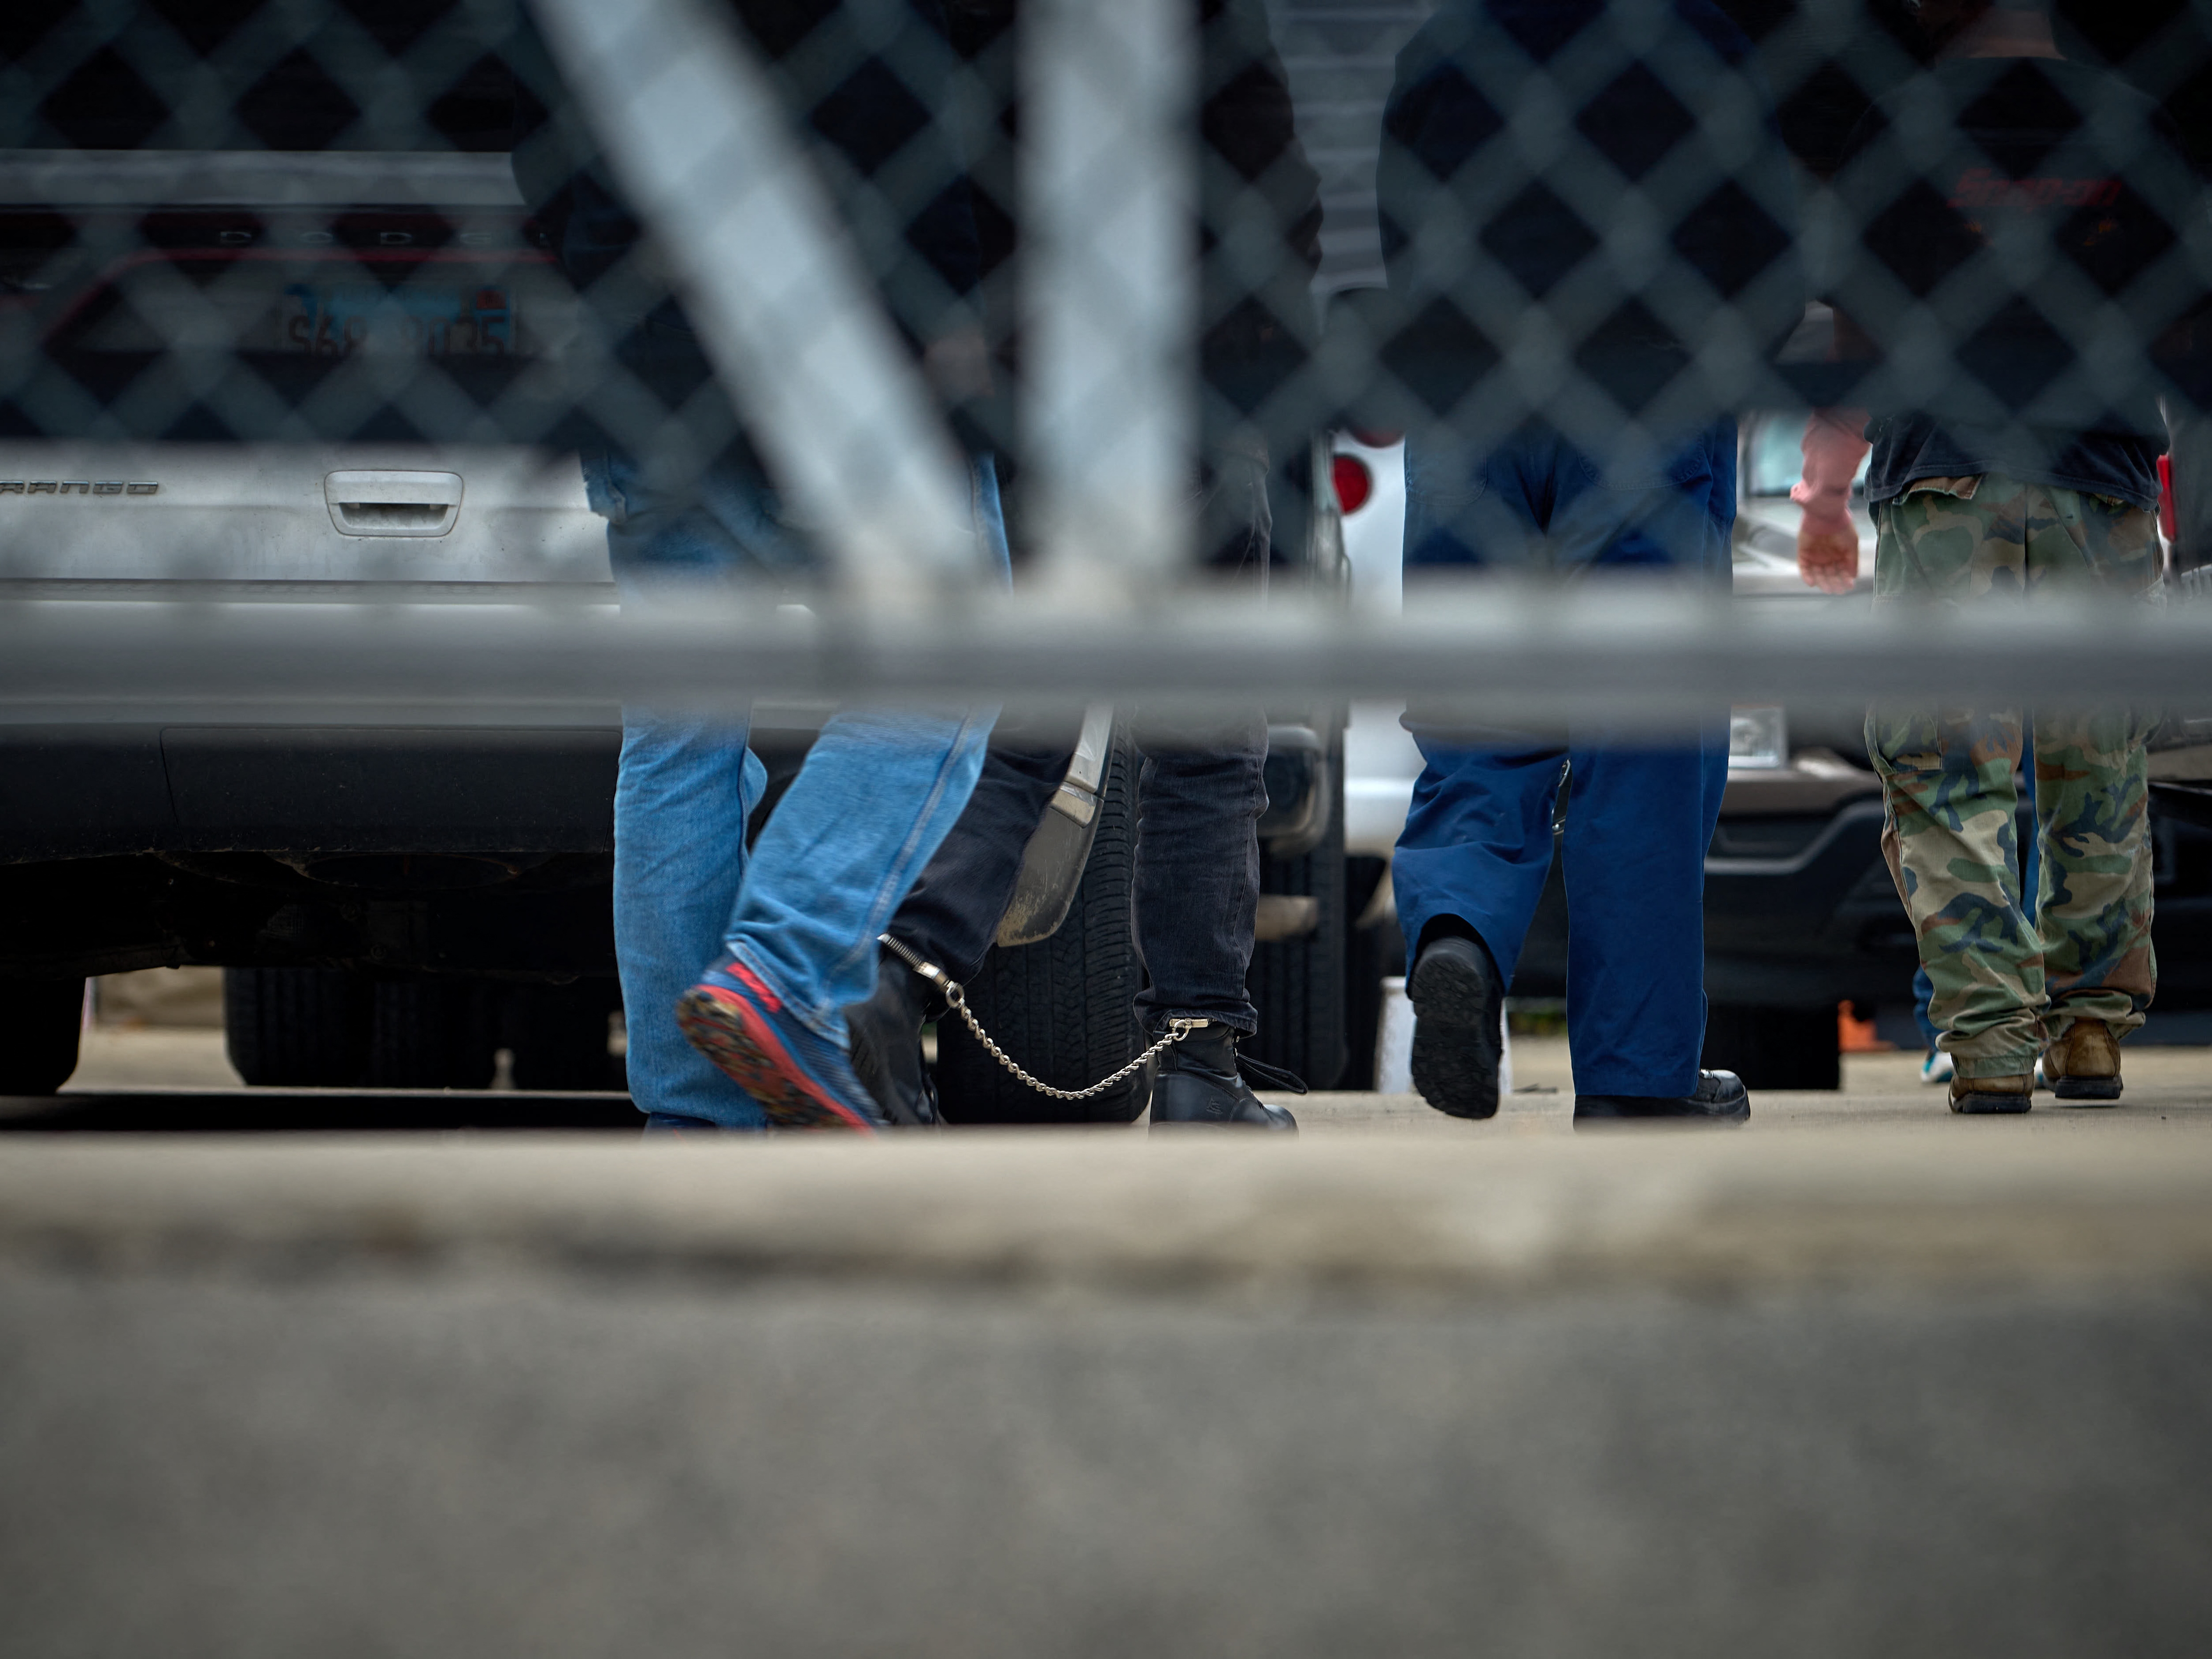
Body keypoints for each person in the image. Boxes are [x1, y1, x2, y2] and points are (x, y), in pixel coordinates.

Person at [513, 0, 1004, 1131]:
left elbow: (530, 103)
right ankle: (784, 963)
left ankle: (692, 1114)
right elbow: (938, 90)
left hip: (640, 330)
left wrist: (599, 261)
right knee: (955, 659)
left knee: (681, 729)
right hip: (848, 332)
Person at [839, 0, 1324, 1132]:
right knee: (1204, 736)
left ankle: (902, 970)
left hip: (1031, 370)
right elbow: (1269, 165)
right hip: (1179, 366)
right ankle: (1200, 1060)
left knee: (1035, 706)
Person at [1376, 0, 1801, 1125]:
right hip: (1647, 386)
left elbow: (1392, 234)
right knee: (1645, 741)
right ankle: (1636, 1074)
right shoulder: (1706, 37)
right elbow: (1774, 249)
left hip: (1465, 394)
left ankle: (1458, 935)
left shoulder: (1446, 42)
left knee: (1477, 713)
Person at [1795, 0, 2186, 1112]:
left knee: (1947, 768)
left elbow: (1860, 331)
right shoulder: (2137, 126)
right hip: (2100, 479)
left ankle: (1991, 1047)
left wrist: (1826, 492)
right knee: (2098, 766)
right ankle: (2094, 1035)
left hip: (1945, 471)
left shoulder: (1903, 128)